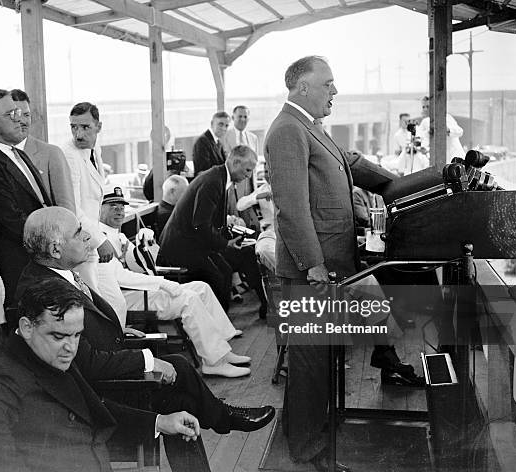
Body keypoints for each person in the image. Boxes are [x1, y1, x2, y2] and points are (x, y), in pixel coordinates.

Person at [265, 56, 420, 469]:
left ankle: (315, 437)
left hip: (335, 264)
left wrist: (408, 182)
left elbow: (349, 162)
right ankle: (306, 449)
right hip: (312, 272)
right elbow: (291, 209)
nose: (335, 91)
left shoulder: (311, 128)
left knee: (324, 361)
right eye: (328, 84)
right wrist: (313, 265)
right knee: (311, 366)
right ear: (302, 88)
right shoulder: (286, 131)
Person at [16, 207, 274, 427]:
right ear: (55, 248)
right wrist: (147, 361)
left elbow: (84, 332)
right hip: (94, 397)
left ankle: (225, 417)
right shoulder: (44, 293)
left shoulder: (56, 274)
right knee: (182, 396)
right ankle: (227, 418)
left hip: (106, 372)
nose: (87, 237)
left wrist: (118, 332)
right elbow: (85, 364)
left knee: (182, 373)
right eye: (78, 233)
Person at [0, 278, 207, 472]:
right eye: (59, 335)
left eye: (77, 335)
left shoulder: (50, 354)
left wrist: (159, 422)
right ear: (27, 327)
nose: (71, 347)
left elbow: (94, 411)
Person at [98, 188, 253, 377]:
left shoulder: (119, 236)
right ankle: (214, 362)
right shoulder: (100, 240)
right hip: (126, 297)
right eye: (112, 206)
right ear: (99, 209)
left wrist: (148, 245)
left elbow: (144, 265)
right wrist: (162, 283)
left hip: (140, 290)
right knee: (188, 299)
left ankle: (223, 351)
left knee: (201, 288)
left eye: (122, 207)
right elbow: (121, 277)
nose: (119, 211)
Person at [0, 89, 53, 307]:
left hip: (43, 264)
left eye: (20, 112)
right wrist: (56, 244)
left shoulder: (16, 152)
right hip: (22, 273)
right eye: (11, 114)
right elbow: (13, 222)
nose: (19, 119)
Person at [159, 146, 265, 315]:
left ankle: (221, 324)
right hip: (180, 249)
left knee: (226, 270)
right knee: (219, 276)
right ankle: (216, 325)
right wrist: (225, 243)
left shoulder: (220, 177)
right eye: (247, 170)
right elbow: (200, 224)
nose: (249, 176)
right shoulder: (213, 181)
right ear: (235, 162)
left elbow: (211, 221)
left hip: (194, 243)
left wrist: (228, 239)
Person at [61, 102, 114, 292]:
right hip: (80, 243)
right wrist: (99, 241)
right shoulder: (69, 154)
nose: (79, 134)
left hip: (93, 240)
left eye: (85, 127)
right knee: (92, 305)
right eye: (73, 127)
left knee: (116, 304)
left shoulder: (93, 149)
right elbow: (72, 208)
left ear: (98, 127)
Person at [11, 89, 76, 213]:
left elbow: (66, 208)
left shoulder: (51, 154)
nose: (23, 121)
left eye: (27, 115)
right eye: (16, 115)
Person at [417, 95, 465, 163]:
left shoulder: (445, 117)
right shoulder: (424, 122)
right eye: (423, 107)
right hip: (440, 160)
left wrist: (448, 130)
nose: (425, 109)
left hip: (455, 157)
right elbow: (421, 138)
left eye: (428, 106)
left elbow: (460, 131)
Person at [192, 111, 230, 176]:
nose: (224, 128)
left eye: (226, 126)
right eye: (220, 124)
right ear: (212, 124)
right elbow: (203, 171)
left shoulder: (218, 142)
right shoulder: (202, 141)